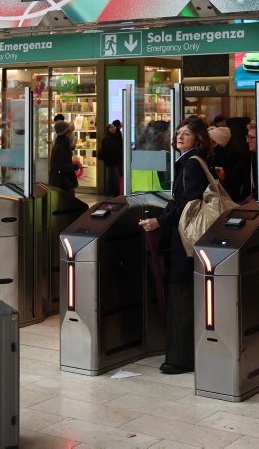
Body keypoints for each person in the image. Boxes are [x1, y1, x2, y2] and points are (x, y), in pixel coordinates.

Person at [138, 117, 213, 375]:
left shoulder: (191, 164)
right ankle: (183, 354)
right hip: (187, 238)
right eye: (178, 133)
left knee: (181, 292)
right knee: (183, 291)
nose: (179, 137)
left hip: (186, 239)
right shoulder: (191, 162)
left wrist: (159, 222)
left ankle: (181, 358)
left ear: (197, 138)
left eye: (187, 133)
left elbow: (186, 204)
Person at [49, 119, 79, 192]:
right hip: (62, 182)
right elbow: (60, 166)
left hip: (64, 181)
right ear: (66, 133)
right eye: (69, 131)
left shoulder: (62, 144)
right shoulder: (60, 147)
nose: (71, 133)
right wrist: (76, 166)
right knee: (65, 198)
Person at [98, 119, 123, 197]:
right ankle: (115, 194)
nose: (114, 128)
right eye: (111, 127)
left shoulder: (114, 137)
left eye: (114, 127)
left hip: (113, 161)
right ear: (108, 129)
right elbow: (108, 150)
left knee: (111, 178)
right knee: (115, 178)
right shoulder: (107, 138)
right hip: (111, 161)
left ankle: (109, 194)